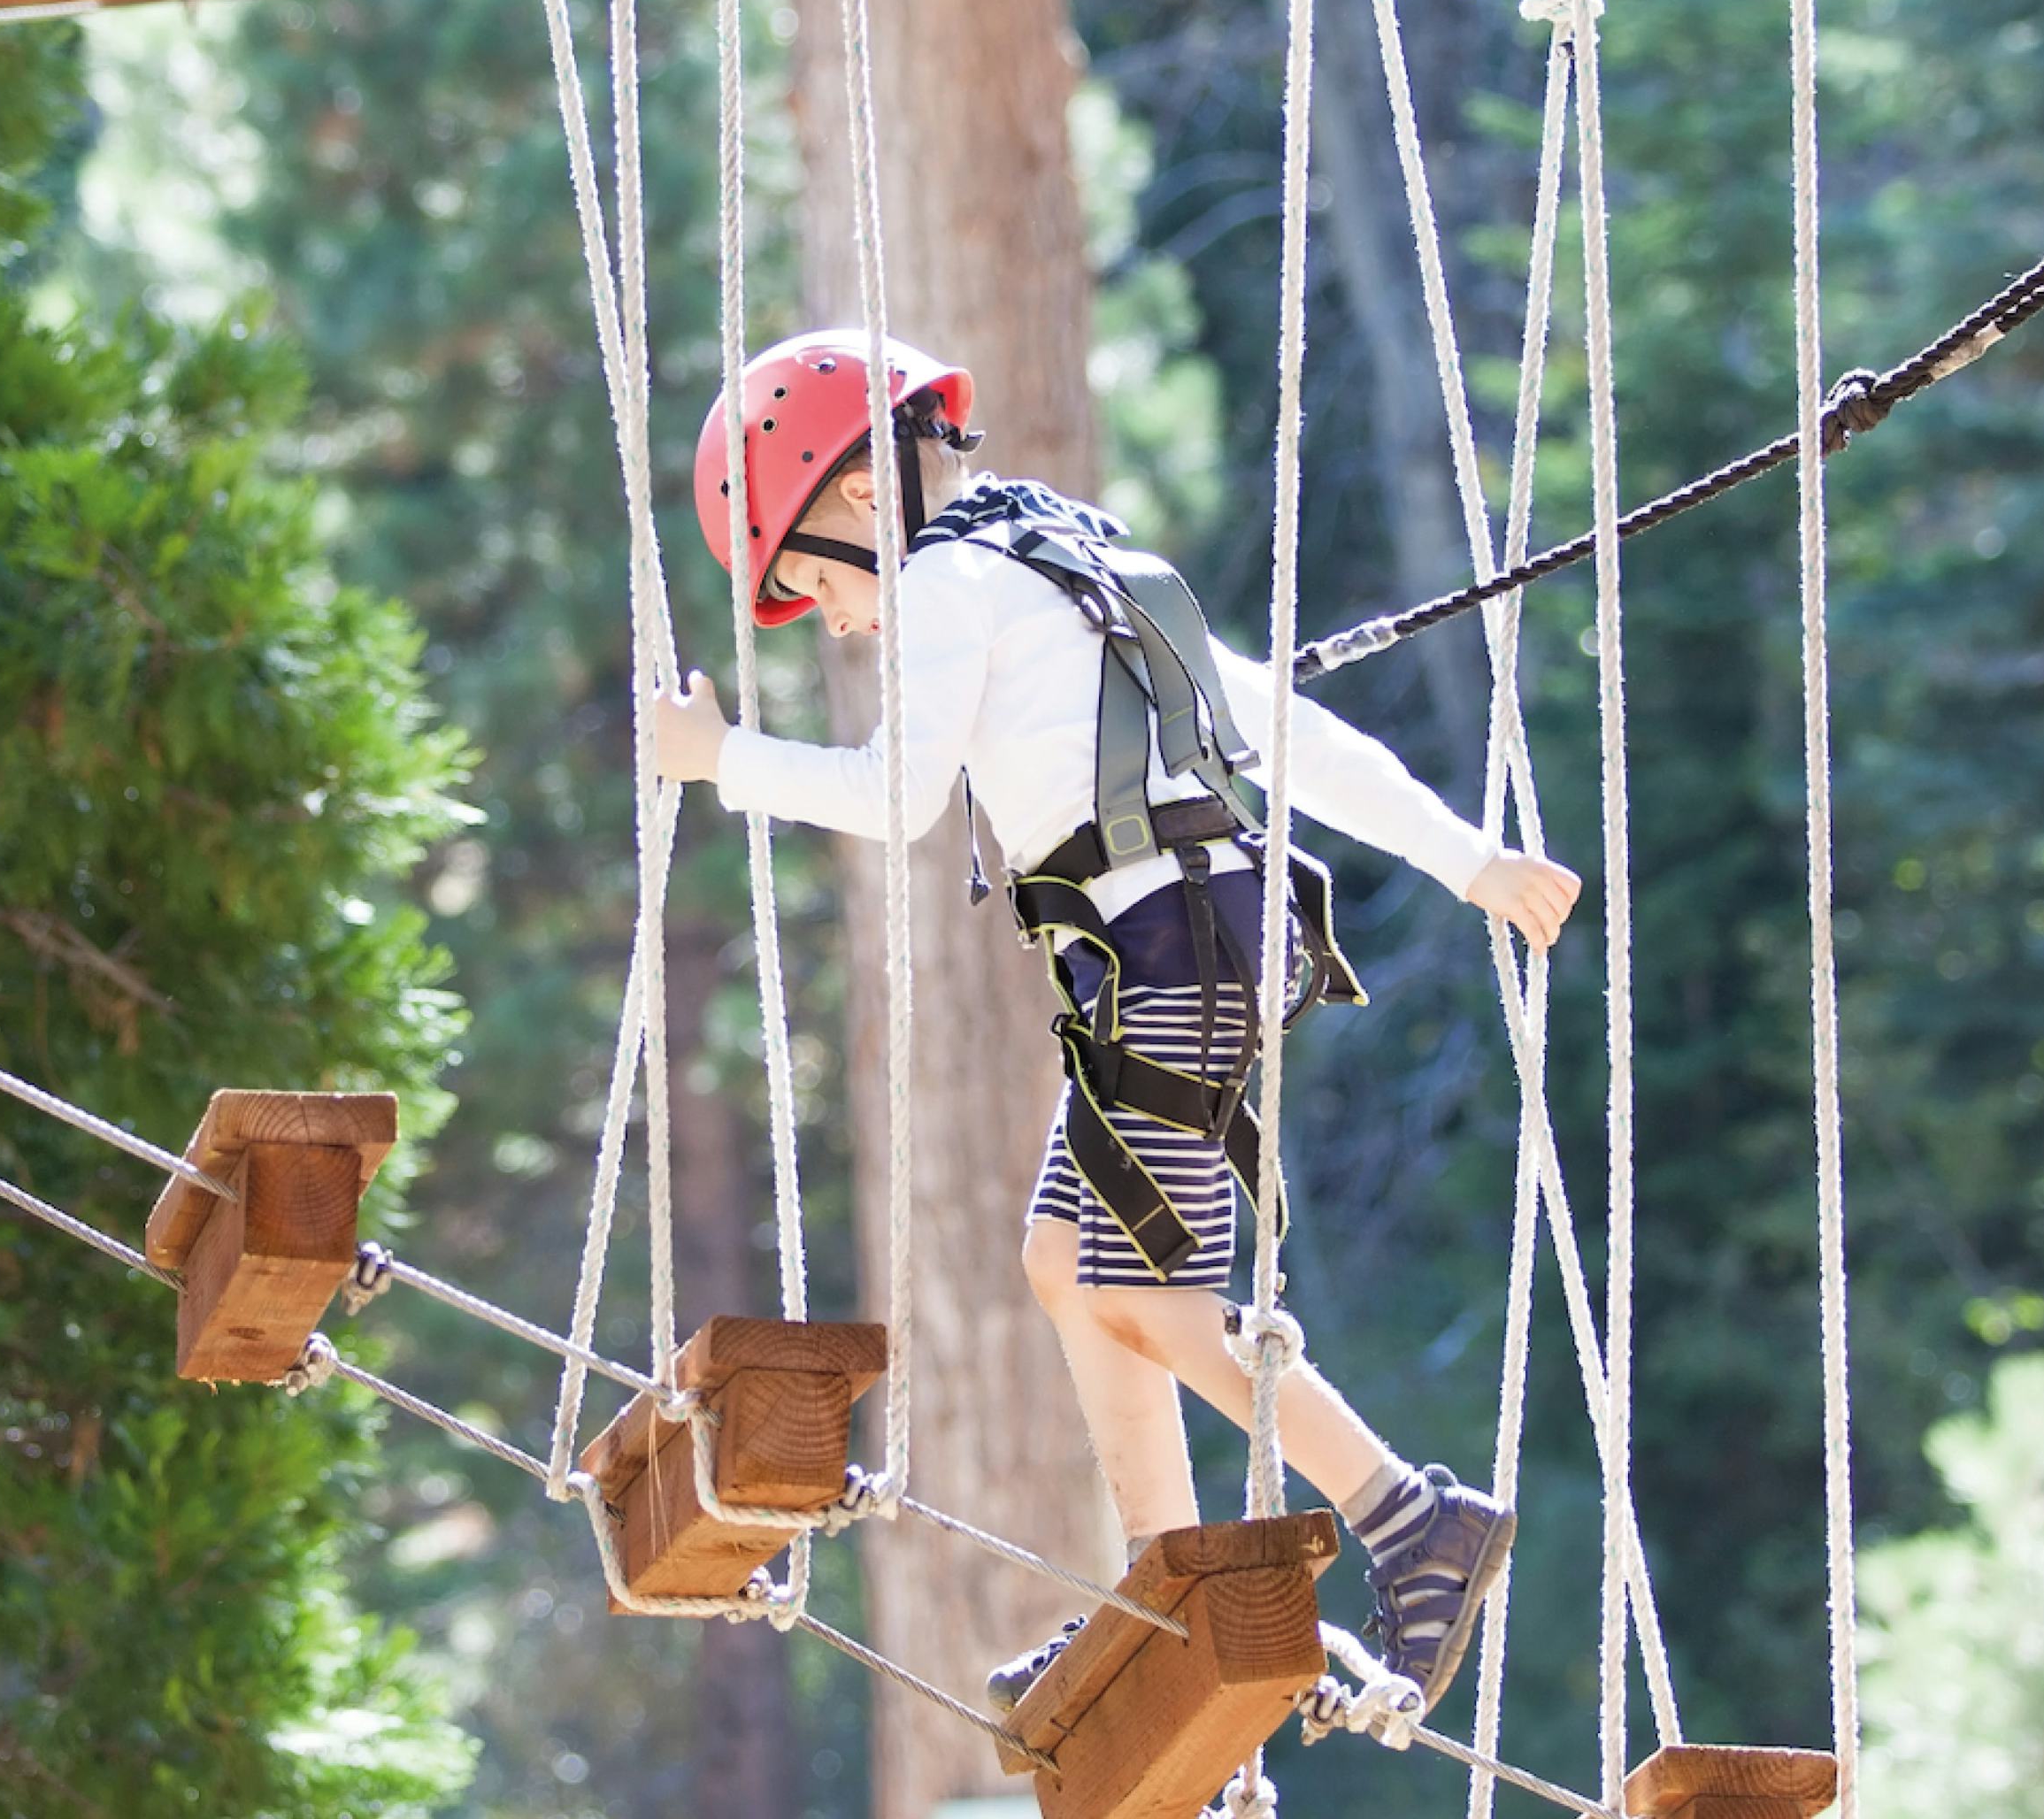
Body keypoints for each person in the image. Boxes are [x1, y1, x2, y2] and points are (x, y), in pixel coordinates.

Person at [645, 329, 1582, 1721]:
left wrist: (722, 761)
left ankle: (1409, 1518)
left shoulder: (951, 584)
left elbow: (898, 798)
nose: (832, 620)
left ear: (855, 501)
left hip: (1169, 956)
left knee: (1144, 1291)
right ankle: (1175, 1590)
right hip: (1180, 948)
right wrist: (1466, 856)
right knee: (1065, 1262)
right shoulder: (1077, 563)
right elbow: (1288, 731)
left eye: (807, 585)